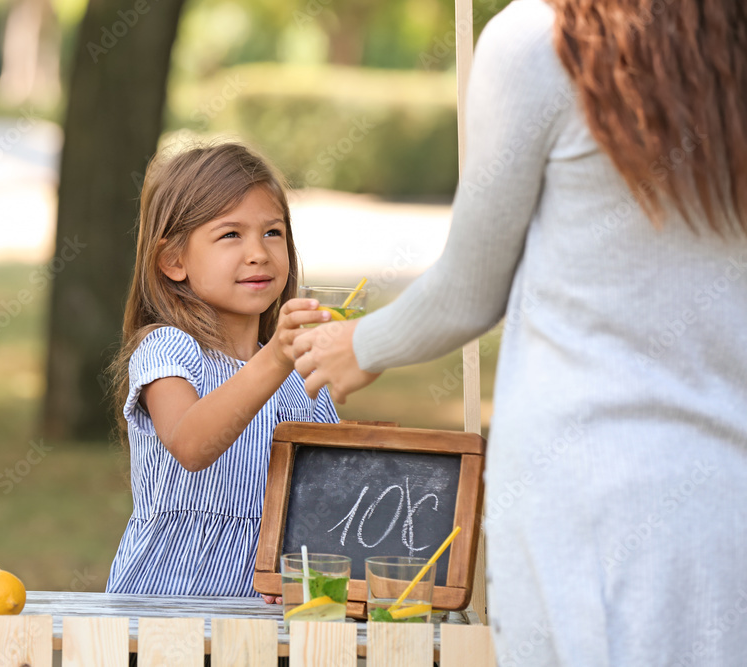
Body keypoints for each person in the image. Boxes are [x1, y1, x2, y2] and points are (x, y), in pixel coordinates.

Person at [292, 0, 747, 664]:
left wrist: (359, 345)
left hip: (582, 509)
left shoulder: (540, 40)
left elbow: (469, 289)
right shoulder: (728, 45)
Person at [105, 143, 339, 598]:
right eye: (230, 235)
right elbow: (192, 444)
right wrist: (276, 357)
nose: (258, 253)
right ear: (173, 260)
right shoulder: (168, 349)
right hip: (167, 617)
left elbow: (327, 499)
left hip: (270, 622)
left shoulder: (303, 379)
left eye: (273, 232)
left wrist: (302, 564)